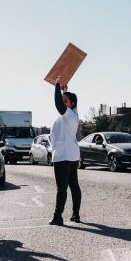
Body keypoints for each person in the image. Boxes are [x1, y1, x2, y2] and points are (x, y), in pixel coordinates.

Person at [48, 77, 82, 225]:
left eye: (65, 101)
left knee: (62, 188)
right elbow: (63, 103)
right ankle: (76, 214)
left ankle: (58, 216)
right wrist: (65, 91)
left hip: (63, 156)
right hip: (71, 155)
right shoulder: (72, 115)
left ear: (71, 104)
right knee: (73, 185)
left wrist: (56, 85)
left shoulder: (68, 114)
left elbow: (58, 104)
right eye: (63, 100)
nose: (63, 103)